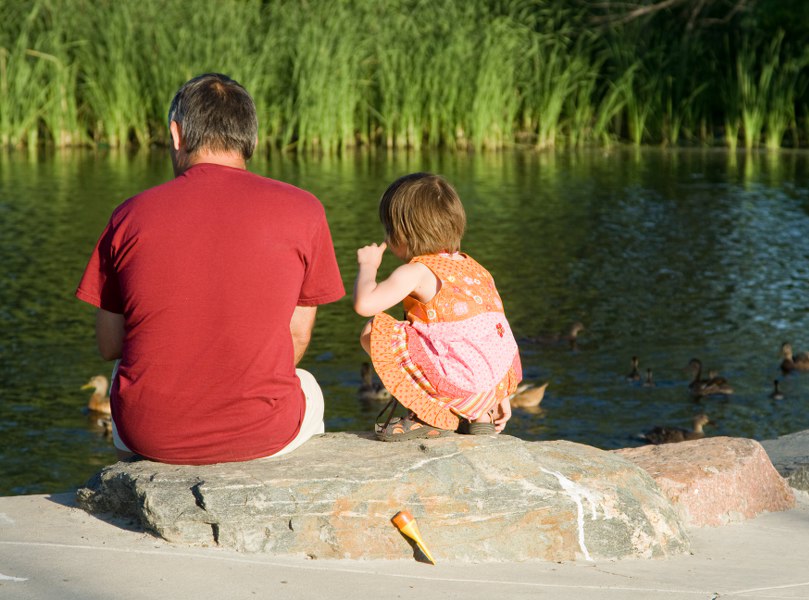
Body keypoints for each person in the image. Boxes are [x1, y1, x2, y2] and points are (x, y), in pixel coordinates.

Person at [76, 73, 345, 465]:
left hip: (150, 436)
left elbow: (110, 345)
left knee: (125, 371)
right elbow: (297, 337)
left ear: (176, 134)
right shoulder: (305, 210)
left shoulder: (130, 215)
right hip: (263, 435)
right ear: (250, 139)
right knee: (308, 385)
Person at [354, 172, 521, 441]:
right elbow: (494, 335)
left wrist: (368, 267)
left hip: (458, 385)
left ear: (403, 233)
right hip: (495, 381)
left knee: (373, 330)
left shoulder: (418, 271)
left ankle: (432, 416)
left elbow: (365, 304)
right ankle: (480, 416)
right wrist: (499, 395)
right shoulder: (474, 268)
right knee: (444, 335)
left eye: (388, 229)